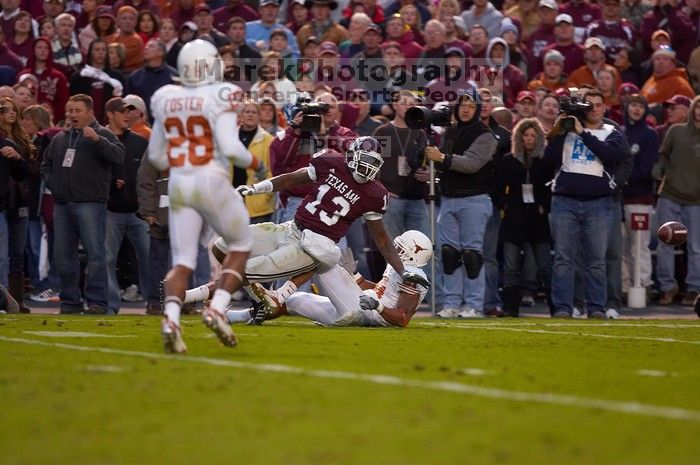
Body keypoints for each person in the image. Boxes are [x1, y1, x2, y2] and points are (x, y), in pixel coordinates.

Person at [203, 135, 429, 318]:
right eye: (365, 160)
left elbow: (381, 238)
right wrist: (256, 189)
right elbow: (290, 178)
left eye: (373, 163)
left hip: (326, 240)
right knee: (225, 250)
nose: (367, 168)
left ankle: (206, 297)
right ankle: (259, 297)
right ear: (351, 156)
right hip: (295, 228)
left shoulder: (375, 194)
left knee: (306, 266)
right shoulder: (330, 162)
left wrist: (401, 271)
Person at [148, 39, 261, 352]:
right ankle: (217, 307)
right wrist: (257, 162)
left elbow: (157, 157)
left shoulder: (166, 97)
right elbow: (229, 147)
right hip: (211, 178)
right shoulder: (220, 94)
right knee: (241, 245)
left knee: (182, 261)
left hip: (178, 183)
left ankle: (171, 318)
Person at [228, 230, 432, 327]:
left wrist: (377, 307)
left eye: (400, 249)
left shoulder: (413, 276)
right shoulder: (400, 268)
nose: (395, 251)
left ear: (414, 254)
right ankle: (237, 316)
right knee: (293, 301)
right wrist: (356, 276)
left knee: (323, 256)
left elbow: (402, 318)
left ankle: (279, 292)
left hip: (367, 315)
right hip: (356, 306)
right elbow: (379, 290)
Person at [543, 89, 628, 318]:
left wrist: (582, 134)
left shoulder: (613, 131)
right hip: (564, 200)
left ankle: (597, 308)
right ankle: (562, 307)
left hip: (599, 203)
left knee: (596, 260)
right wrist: (560, 131)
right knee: (563, 258)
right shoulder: (567, 129)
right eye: (589, 105)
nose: (594, 108)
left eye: (598, 104)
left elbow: (611, 155)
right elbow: (548, 159)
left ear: (605, 107)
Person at [40, 94, 125, 315]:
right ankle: (70, 301)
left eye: (77, 111)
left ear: (90, 112)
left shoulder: (104, 133)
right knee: (62, 256)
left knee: (95, 254)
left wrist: (98, 140)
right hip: (63, 204)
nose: (72, 115)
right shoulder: (60, 138)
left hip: (91, 204)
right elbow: (45, 164)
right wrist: (54, 184)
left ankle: (97, 302)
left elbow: (118, 156)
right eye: (70, 111)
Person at [424, 88, 498, 319]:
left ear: (477, 110)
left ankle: (474, 305)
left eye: (471, 105)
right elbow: (444, 164)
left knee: (471, 254)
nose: (466, 109)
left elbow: (471, 163)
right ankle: (452, 303)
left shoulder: (485, 134)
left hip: (474, 199)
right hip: (449, 198)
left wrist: (442, 158)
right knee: (448, 254)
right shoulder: (450, 132)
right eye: (462, 105)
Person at [494, 118, 553, 317]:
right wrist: (505, 205)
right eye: (526, 135)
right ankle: (511, 309)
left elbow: (549, 189)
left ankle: (556, 307)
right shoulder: (509, 160)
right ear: (519, 137)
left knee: (544, 265)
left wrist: (544, 207)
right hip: (513, 220)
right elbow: (498, 189)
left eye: (532, 136)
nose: (529, 139)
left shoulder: (544, 162)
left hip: (538, 220)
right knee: (510, 266)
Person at [269, 91, 357, 222]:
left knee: (335, 243)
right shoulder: (297, 131)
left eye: (331, 107)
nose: (326, 110)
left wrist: (324, 136)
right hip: (299, 200)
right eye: (322, 106)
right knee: (293, 242)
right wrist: (295, 132)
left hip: (331, 201)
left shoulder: (345, 133)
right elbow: (283, 161)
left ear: (338, 111)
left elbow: (345, 161)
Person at [652, 95, 700, 306]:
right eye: (698, 107)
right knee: (666, 244)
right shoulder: (676, 131)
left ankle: (694, 289)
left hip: (696, 200)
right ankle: (667, 287)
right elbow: (663, 154)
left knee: (696, 247)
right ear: (692, 110)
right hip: (670, 195)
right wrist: (658, 169)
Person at [103, 97, 150, 315]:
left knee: (149, 256)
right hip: (109, 209)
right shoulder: (99, 139)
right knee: (107, 259)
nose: (127, 115)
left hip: (137, 211)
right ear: (110, 114)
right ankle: (111, 305)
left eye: (129, 111)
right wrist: (111, 183)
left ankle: (155, 302)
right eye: (122, 111)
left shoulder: (140, 142)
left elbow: (149, 175)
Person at [373, 89, 428, 240]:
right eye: (403, 103)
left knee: (419, 247)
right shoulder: (383, 131)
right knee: (394, 248)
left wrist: (427, 173)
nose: (407, 107)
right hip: (392, 198)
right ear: (394, 105)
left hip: (416, 197)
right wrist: (382, 190)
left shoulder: (420, 133)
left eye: (411, 104)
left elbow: (426, 163)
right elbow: (374, 163)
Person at [621, 93, 658, 295]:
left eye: (640, 106)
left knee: (640, 245)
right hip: (619, 200)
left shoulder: (650, 135)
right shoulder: (620, 132)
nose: (636, 109)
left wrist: (622, 179)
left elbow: (645, 168)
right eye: (633, 105)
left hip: (640, 199)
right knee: (623, 246)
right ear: (626, 108)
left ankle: (643, 283)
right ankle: (625, 286)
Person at [0, 97, 31, 313]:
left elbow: (24, 173)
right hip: (4, 204)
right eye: (4, 110)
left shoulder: (11, 143)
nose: (10, 114)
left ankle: (8, 301)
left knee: (9, 255)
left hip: (11, 204)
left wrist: (19, 158)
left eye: (13, 110)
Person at [69, 38, 126, 125]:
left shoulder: (117, 77)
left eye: (103, 50)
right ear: (90, 53)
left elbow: (124, 102)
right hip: (84, 124)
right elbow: (72, 103)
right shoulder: (79, 76)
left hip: (111, 125)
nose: (100, 53)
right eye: (97, 50)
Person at [16, 37, 69, 124]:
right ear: (33, 50)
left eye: (46, 48)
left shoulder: (59, 77)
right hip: (24, 120)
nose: (43, 50)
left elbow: (63, 102)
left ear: (50, 51)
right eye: (39, 47)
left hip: (49, 122)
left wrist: (49, 118)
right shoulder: (22, 76)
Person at [126, 39, 177, 123]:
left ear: (161, 52)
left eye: (151, 46)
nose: (146, 48)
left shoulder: (174, 76)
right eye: (145, 46)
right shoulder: (134, 77)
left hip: (167, 123)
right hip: (140, 126)